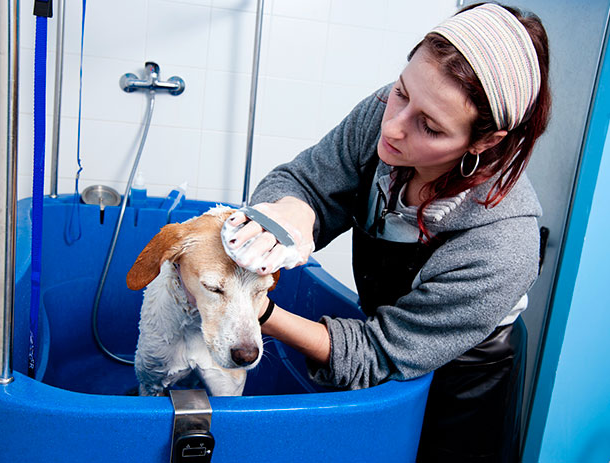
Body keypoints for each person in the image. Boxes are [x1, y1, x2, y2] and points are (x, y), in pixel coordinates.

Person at [221, 3, 550, 461]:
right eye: (401, 92)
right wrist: (292, 207)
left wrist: (256, 313)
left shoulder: (501, 245)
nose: (393, 127)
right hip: (382, 332)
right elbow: (305, 181)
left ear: (484, 141)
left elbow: (377, 354)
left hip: (464, 381)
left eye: (430, 127)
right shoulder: (385, 115)